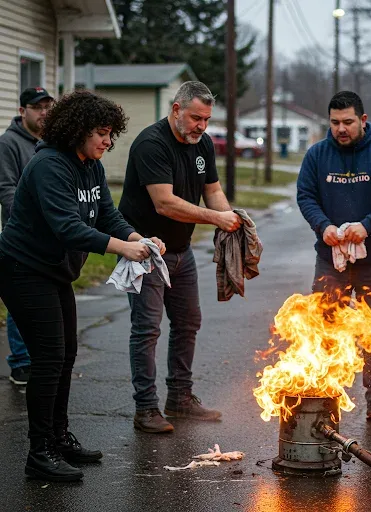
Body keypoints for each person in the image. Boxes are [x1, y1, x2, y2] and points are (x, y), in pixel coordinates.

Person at [0, 90, 165, 481]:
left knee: (66, 354)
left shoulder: (91, 166)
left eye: (110, 134)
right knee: (48, 358)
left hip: (54, 271)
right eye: (102, 133)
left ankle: (58, 439)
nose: (108, 142)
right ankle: (39, 453)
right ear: (77, 130)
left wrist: (138, 238)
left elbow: (107, 215)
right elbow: (68, 227)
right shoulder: (48, 166)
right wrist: (123, 249)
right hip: (23, 269)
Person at [118, 81, 242, 433]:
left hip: (181, 252)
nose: (201, 126)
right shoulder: (151, 144)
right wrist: (215, 218)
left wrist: (231, 221)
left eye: (206, 119)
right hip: (144, 251)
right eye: (195, 118)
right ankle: (146, 408)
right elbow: (165, 203)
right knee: (147, 330)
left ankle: (180, 398)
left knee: (188, 323)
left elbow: (213, 191)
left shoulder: (202, 144)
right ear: (176, 109)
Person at [297, 90, 371, 420]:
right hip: (330, 259)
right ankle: (325, 389)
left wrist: (367, 224)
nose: (341, 129)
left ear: (363, 120)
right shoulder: (317, 154)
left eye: (347, 122)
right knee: (325, 325)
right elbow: (305, 196)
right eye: (335, 123)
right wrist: (323, 226)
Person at [0, 87, 54, 385]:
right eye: (37, 107)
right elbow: (6, 189)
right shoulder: (8, 143)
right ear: (22, 111)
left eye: (48, 106)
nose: (44, 112)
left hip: (49, 238)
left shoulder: (51, 142)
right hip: (19, 238)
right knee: (20, 300)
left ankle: (40, 359)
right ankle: (20, 363)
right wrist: (32, 219)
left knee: (43, 300)